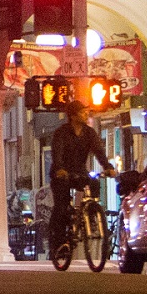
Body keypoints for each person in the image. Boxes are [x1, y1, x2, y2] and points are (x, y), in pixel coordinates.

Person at [47, 100, 116, 256]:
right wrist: (59, 169)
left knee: (94, 183)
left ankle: (92, 214)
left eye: (86, 112)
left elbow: (99, 152)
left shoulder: (89, 133)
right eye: (82, 112)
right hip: (62, 174)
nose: (86, 115)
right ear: (72, 115)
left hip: (80, 172)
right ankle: (58, 244)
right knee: (62, 207)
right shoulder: (61, 133)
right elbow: (56, 154)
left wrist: (108, 167)